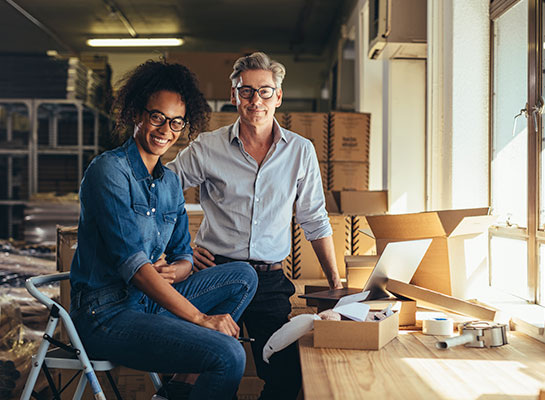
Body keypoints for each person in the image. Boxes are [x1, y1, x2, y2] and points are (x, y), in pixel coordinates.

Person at [69, 60, 258, 400]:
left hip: (148, 302)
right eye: (156, 116)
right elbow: (135, 269)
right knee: (229, 355)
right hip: (106, 314)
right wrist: (201, 319)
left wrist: (175, 269)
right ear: (136, 114)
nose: (165, 130)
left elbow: (184, 253)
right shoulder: (108, 172)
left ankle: (176, 390)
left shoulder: (170, 182)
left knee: (244, 275)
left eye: (176, 122)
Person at [167, 52, 343, 399]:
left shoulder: (300, 151)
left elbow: (314, 218)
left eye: (264, 91)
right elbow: (160, 192)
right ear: (234, 96)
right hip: (216, 274)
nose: (255, 100)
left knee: (287, 372)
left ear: (278, 96)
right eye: (246, 91)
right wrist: (183, 249)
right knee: (213, 370)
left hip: (269, 279)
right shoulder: (208, 147)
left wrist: (336, 283)